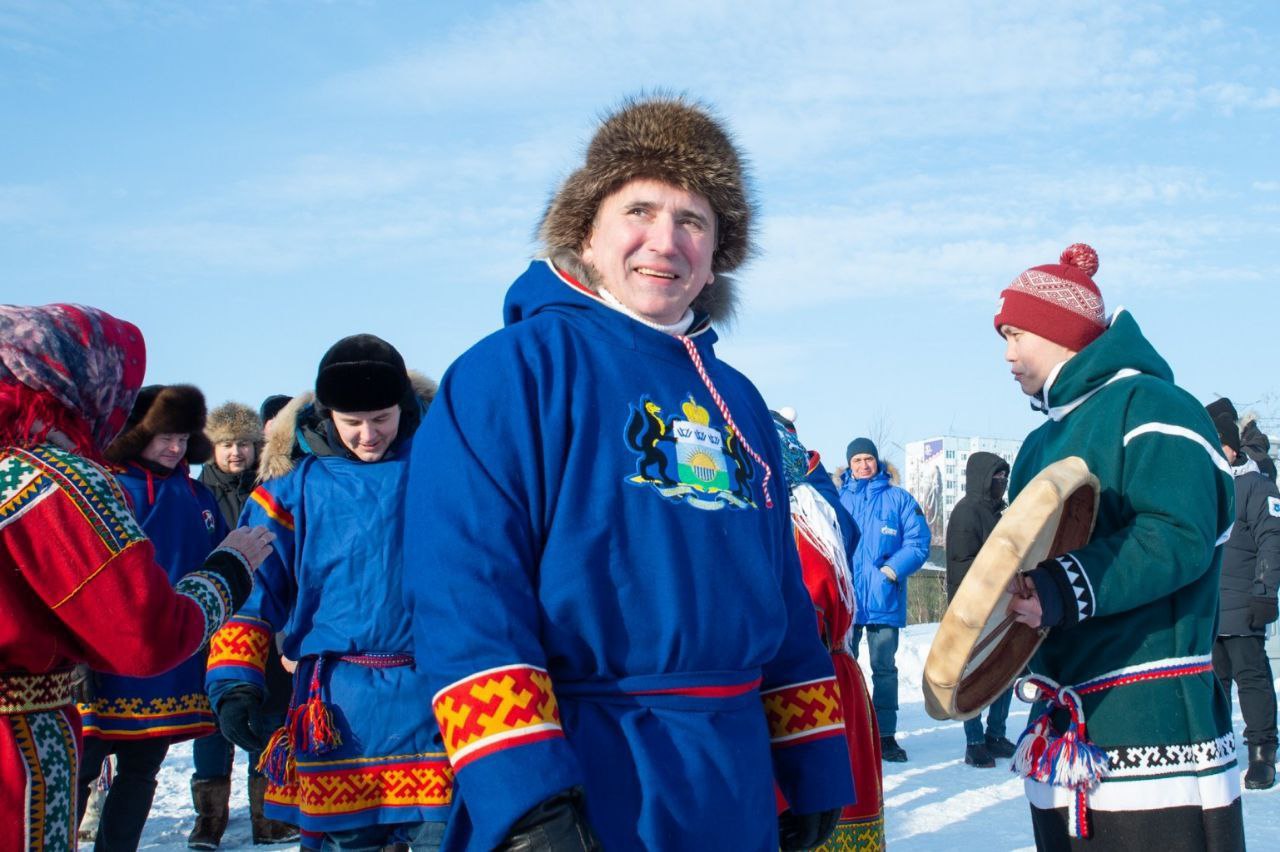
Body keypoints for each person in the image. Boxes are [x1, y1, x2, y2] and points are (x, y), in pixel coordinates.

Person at [402, 96, 852, 851]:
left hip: (734, 780)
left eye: (693, 221)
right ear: (587, 229)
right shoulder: (509, 372)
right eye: (639, 210)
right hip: (586, 771)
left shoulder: (738, 399)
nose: (665, 241)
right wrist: (527, 798)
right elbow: (464, 590)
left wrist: (811, 756)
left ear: (718, 254)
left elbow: (778, 586)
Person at [996, 244, 1241, 849]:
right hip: (1062, 731)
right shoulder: (1038, 443)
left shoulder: (1154, 405)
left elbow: (1178, 533)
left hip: (1154, 722)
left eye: (1016, 334)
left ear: (1059, 330)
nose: (1007, 355)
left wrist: (1061, 586)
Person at [0, 303, 270, 852]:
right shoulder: (61, 481)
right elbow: (144, 634)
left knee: (140, 769)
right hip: (18, 742)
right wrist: (229, 569)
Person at [207, 335, 449, 851]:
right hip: (338, 708)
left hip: (436, 698)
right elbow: (250, 588)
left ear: (405, 408)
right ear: (326, 415)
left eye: (381, 419)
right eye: (352, 422)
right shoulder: (290, 489)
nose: (368, 435)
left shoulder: (447, 471)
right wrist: (234, 682)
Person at [74, 385, 235, 850]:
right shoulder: (100, 488)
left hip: (169, 660)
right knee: (80, 770)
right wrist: (75, 657)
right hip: (102, 660)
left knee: (143, 769)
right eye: (165, 437)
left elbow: (220, 564)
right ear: (137, 433)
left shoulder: (199, 497)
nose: (175, 448)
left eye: (183, 439)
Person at [774, 412, 885, 851]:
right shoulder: (820, 512)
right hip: (833, 681)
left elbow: (804, 612)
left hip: (807, 688)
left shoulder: (801, 524)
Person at [192, 402, 299, 848]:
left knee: (268, 717)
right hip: (210, 617)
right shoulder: (200, 494)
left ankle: (266, 815)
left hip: (264, 622)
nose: (236, 452)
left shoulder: (268, 489)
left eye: (243, 443)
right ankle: (209, 819)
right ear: (212, 448)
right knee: (213, 725)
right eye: (226, 445)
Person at [838, 437, 931, 763]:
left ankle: (885, 736)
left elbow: (918, 542)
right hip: (846, 601)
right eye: (857, 460)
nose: (863, 465)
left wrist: (891, 571)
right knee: (844, 667)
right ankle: (847, 732)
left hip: (883, 597)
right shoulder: (837, 500)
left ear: (877, 461)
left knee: (884, 669)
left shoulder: (899, 499)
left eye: (868, 459)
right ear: (849, 465)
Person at [1207, 401, 1280, 790]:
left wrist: (1265, 591)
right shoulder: (1206, 485)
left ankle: (1262, 752)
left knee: (1251, 678)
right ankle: (1217, 747)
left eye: (1221, 443)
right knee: (1213, 681)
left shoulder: (1257, 485)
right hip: (1209, 606)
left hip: (1244, 601)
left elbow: (1272, 540)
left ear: (1234, 447)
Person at [944, 451, 1016, 767]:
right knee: (972, 674)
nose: (1002, 482)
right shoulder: (967, 512)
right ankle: (974, 741)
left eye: (1004, 477)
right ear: (982, 478)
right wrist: (999, 578)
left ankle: (996, 734)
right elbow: (964, 563)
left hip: (1001, 603)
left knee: (1006, 668)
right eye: (997, 477)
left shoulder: (997, 512)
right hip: (973, 606)